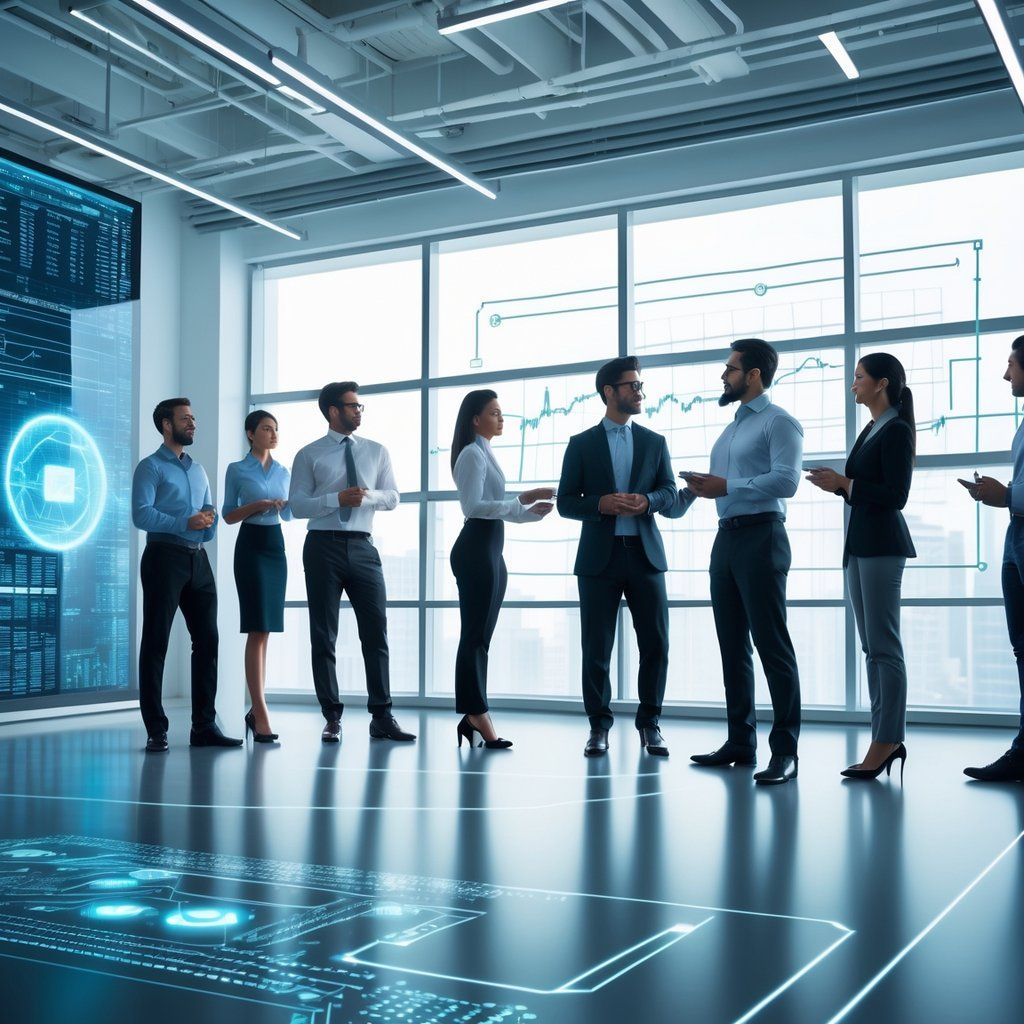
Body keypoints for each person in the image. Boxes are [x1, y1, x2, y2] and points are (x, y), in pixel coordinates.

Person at [669, 339, 803, 785]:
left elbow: (786, 482)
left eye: (730, 369)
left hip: (763, 536)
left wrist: (726, 486)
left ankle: (784, 752)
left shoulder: (779, 422)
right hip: (726, 540)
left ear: (754, 375)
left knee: (772, 647)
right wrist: (696, 488)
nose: (723, 376)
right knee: (732, 647)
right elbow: (725, 486)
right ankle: (740, 742)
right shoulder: (730, 430)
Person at [557, 356, 678, 758]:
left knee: (656, 644)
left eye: (640, 385)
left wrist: (646, 501)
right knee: (596, 647)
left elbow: (670, 492)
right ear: (609, 392)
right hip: (598, 561)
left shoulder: (654, 442)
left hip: (645, 558)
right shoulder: (581, 444)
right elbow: (565, 503)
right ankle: (599, 727)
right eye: (632, 386)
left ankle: (650, 724)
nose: (639, 391)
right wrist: (600, 504)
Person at [806, 353, 916, 780]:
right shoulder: (871, 428)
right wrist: (839, 485)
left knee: (885, 647)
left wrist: (845, 483)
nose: (853, 385)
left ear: (881, 383)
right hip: (859, 545)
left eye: (859, 378)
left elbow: (896, 494)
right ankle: (881, 737)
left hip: (882, 546)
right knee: (872, 648)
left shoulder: (897, 429)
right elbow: (863, 489)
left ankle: (888, 740)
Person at [288, 381, 415, 744]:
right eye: (352, 406)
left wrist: (366, 496)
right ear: (333, 411)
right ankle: (331, 717)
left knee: (376, 633)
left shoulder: (377, 451)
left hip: (363, 547)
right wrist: (334, 498)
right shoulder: (308, 454)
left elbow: (392, 497)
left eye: (360, 406)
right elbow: (297, 505)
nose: (359, 411)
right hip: (321, 547)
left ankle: (382, 716)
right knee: (323, 635)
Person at [131, 398, 242, 752]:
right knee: (156, 642)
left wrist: (204, 524)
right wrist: (184, 522)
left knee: (208, 641)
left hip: (198, 559)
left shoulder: (199, 470)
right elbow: (141, 515)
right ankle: (156, 730)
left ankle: (204, 727)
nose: (193, 423)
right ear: (167, 425)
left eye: (194, 417)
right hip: (163, 558)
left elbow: (207, 513)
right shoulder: (150, 468)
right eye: (185, 418)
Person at [450, 390, 554, 749]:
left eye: (501, 413)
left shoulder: (485, 451)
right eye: (494, 412)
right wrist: (521, 500)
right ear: (475, 419)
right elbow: (474, 506)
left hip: (492, 549)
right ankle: (476, 713)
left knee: (482, 637)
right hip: (477, 549)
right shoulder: (471, 454)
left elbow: (497, 508)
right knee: (474, 636)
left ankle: (475, 713)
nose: (501, 418)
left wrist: (529, 512)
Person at [963, 334, 1024, 781]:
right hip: (1016, 544)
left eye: (1012, 365)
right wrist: (999, 494)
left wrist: (1008, 495)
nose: (1006, 374)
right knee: (1022, 651)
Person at [222, 410, 291, 744]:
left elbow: (290, 513)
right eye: (267, 428)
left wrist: (284, 503)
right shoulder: (237, 470)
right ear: (251, 433)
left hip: (275, 546)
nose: (273, 434)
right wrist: (258, 504)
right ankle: (260, 710)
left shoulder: (283, 470)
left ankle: (256, 709)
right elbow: (228, 515)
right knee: (256, 627)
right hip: (249, 544)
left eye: (276, 429)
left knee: (267, 630)